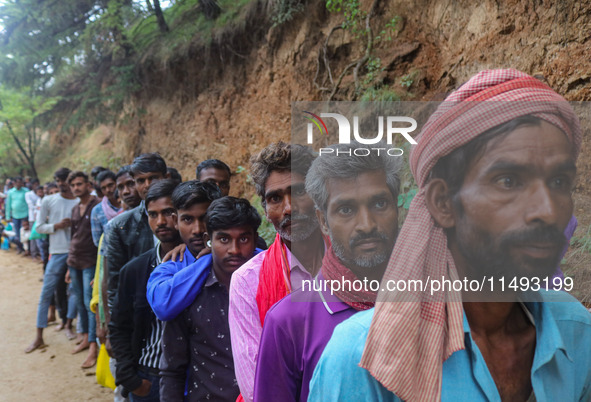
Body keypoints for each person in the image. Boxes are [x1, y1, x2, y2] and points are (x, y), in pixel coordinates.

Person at [308, 69, 591, 401]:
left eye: (559, 182)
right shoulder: (362, 357)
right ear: (443, 203)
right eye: (508, 181)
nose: (547, 210)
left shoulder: (577, 332)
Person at [254, 143, 402, 402]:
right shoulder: (288, 322)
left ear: (398, 209)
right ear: (323, 220)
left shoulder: (440, 298)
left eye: (379, 203)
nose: (366, 225)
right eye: (346, 209)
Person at [228, 142, 323, 401]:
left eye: (299, 191)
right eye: (275, 198)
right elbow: (255, 385)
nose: (289, 208)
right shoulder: (247, 282)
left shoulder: (353, 265)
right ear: (266, 210)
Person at [159, 196, 261, 401]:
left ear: (255, 238)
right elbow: (172, 370)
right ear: (209, 239)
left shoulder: (271, 286)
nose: (234, 250)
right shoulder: (189, 293)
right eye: (224, 239)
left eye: (243, 239)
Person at [109, 180, 181, 401]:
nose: (161, 222)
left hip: (189, 377)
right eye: (153, 214)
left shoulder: (202, 264)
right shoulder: (135, 270)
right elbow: (119, 326)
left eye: (168, 212)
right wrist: (131, 380)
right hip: (148, 377)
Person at [146, 180, 223, 321]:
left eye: (205, 218)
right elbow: (163, 307)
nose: (197, 230)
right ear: (175, 221)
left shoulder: (240, 255)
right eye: (188, 219)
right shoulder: (169, 269)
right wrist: (210, 258)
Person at [25, 167, 79, 353]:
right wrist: (56, 226)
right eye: (58, 179)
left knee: (75, 292)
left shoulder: (81, 201)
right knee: (46, 293)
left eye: (64, 179)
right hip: (56, 253)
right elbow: (38, 227)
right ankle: (39, 336)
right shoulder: (49, 200)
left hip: (76, 253)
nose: (61, 182)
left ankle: (69, 325)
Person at [106, 153, 169, 310]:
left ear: (166, 177)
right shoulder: (120, 226)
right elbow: (115, 279)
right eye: (141, 180)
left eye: (153, 177)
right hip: (140, 307)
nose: (147, 185)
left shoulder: (185, 216)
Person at [66, 171, 100, 368]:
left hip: (90, 261)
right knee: (80, 301)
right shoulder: (75, 208)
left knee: (91, 304)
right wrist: (68, 268)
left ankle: (94, 347)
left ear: (88, 185)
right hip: (74, 260)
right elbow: (73, 235)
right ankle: (86, 337)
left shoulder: (97, 206)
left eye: (80, 184)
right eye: (74, 185)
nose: (76, 188)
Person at [91, 170, 120, 247]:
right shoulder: (97, 211)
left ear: (117, 183)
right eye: (103, 188)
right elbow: (98, 241)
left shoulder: (129, 204)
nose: (108, 190)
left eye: (110, 185)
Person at [5, 176, 29, 247]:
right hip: (15, 216)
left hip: (25, 215)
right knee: (17, 233)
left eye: (20, 182)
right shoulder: (10, 192)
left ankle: (26, 249)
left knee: (24, 232)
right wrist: (7, 216)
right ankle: (19, 248)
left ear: (22, 183)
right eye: (17, 182)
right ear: (14, 183)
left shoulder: (26, 191)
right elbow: (8, 205)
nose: (19, 184)